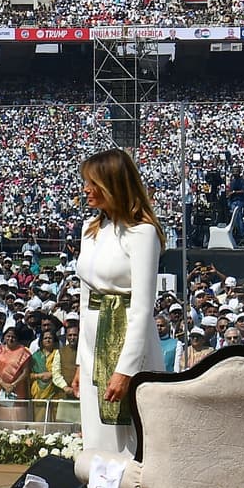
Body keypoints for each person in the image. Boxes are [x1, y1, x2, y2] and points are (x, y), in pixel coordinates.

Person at [71, 148, 164, 454]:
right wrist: (80, 362)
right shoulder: (90, 229)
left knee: (131, 436)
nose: (86, 189)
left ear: (113, 185)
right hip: (92, 341)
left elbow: (142, 308)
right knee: (96, 433)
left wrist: (125, 369)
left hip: (127, 342)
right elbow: (85, 298)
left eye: (93, 183)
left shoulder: (143, 233)